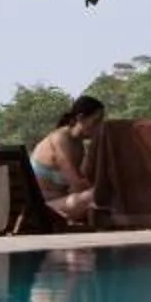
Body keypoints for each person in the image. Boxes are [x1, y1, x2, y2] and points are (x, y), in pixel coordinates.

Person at [29, 95, 106, 226]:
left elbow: (79, 184)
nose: (99, 127)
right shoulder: (60, 139)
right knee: (96, 195)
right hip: (46, 208)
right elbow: (76, 184)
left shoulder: (79, 146)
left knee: (102, 196)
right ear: (80, 118)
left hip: (62, 203)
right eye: (96, 121)